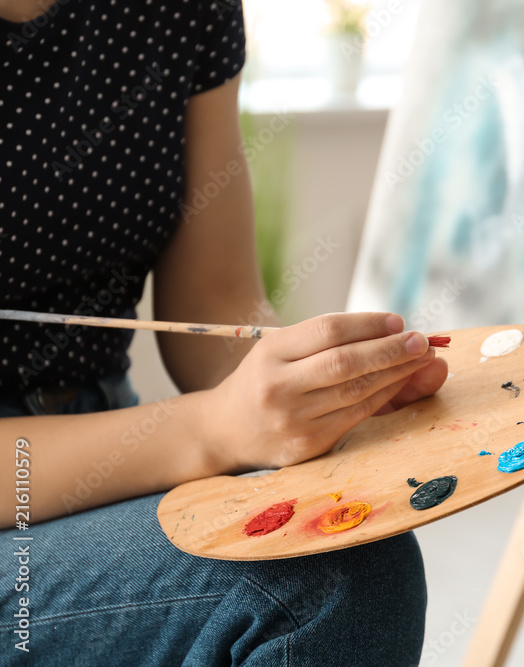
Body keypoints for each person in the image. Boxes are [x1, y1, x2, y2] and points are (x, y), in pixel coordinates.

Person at [0, 0, 447, 663]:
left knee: (343, 537)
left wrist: (315, 385)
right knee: (322, 585)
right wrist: (212, 427)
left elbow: (216, 306)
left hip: (110, 431)